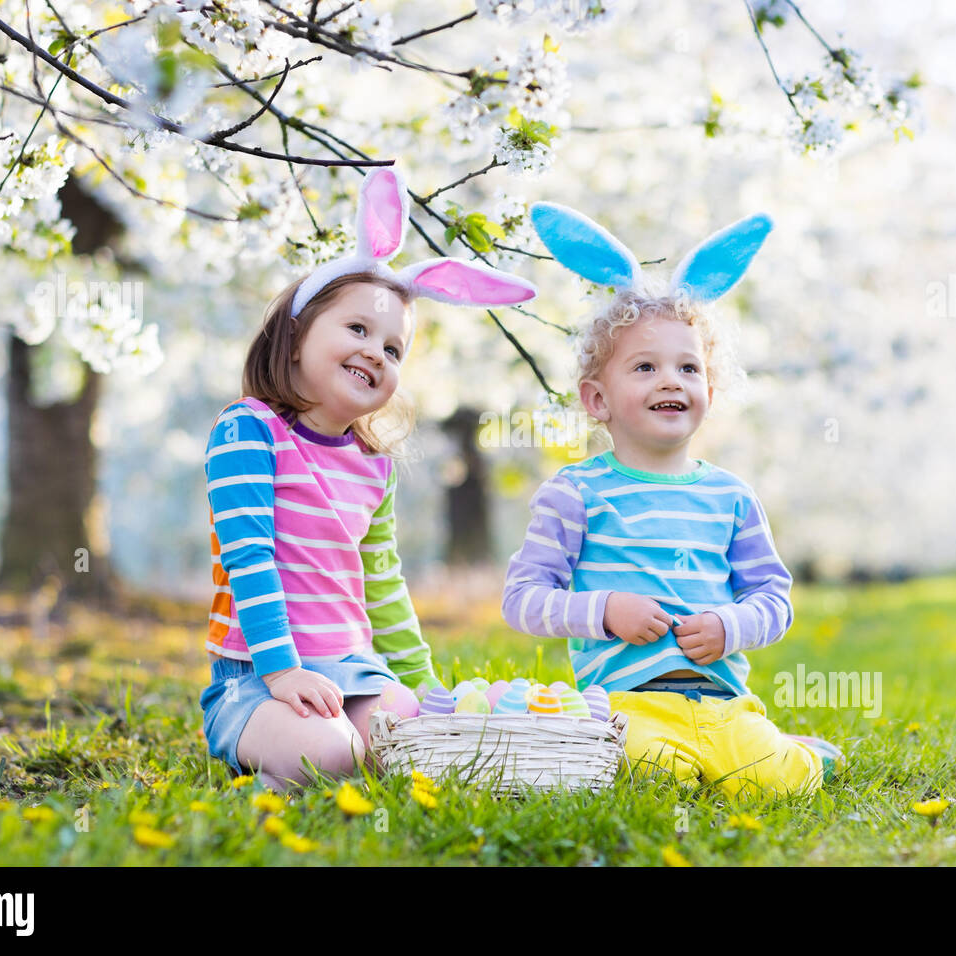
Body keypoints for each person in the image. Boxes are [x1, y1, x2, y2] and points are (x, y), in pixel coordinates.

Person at [200, 167, 537, 791]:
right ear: (297, 334)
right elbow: (251, 559)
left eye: (393, 348)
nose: (374, 353)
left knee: (413, 739)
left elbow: (381, 579)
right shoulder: (248, 431)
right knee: (332, 755)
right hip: (257, 679)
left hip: (356, 669)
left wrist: (418, 683)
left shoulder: (370, 462)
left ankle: (347, 743)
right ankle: (274, 780)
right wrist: (282, 673)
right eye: (357, 329)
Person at [501, 201, 842, 800]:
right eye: (644, 366)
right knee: (655, 780)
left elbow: (773, 598)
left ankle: (798, 756)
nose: (670, 380)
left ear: (709, 389)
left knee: (777, 785)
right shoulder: (574, 494)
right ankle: (728, 758)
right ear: (597, 399)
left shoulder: (731, 497)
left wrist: (729, 625)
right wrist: (604, 611)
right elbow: (523, 601)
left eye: (688, 367)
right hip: (627, 707)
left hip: (725, 705)